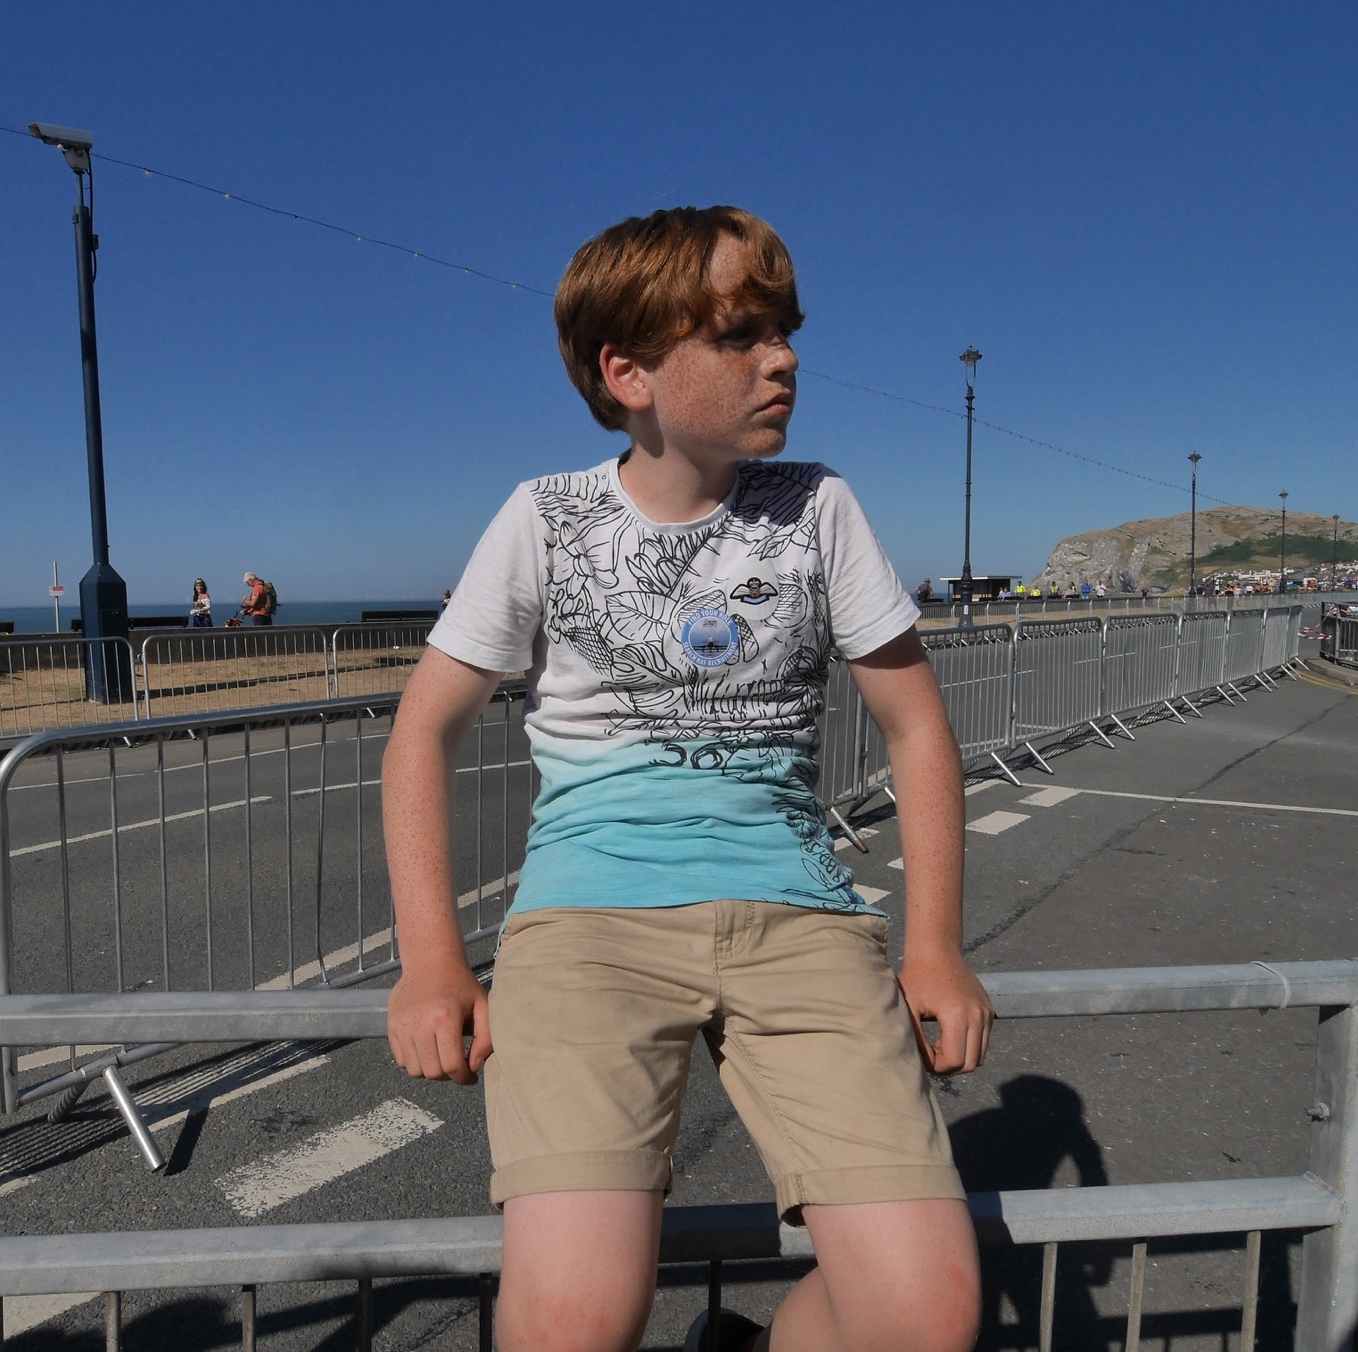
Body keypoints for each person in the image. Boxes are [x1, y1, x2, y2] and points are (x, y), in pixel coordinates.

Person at [382, 206, 988, 1352]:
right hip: (586, 922)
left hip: (799, 917)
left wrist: (934, 945)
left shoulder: (818, 507)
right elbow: (422, 731)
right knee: (571, 1317)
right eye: (740, 334)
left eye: (784, 330)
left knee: (922, 1312)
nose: (782, 358)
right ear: (629, 373)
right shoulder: (544, 516)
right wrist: (429, 959)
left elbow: (913, 726)